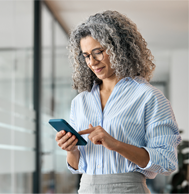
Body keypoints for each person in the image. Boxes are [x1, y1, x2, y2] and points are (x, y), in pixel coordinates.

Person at [55, 10, 181, 194]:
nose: (92, 62)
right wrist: (71, 150)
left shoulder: (148, 96)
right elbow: (77, 166)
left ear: (119, 49)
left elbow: (167, 161)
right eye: (86, 56)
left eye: (98, 52)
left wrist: (116, 144)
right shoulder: (80, 102)